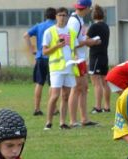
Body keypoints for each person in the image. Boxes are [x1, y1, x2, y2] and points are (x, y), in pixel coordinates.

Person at [42, 7, 78, 130]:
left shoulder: (71, 32)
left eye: (64, 15)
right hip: (56, 68)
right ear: (56, 16)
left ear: (67, 16)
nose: (62, 17)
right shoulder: (50, 31)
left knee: (65, 96)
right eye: (60, 15)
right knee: (55, 95)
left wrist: (76, 58)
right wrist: (57, 46)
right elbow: (45, 52)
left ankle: (62, 122)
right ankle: (48, 122)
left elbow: (75, 49)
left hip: (69, 67)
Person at [67, 0, 99, 128]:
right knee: (76, 88)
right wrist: (88, 42)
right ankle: (73, 121)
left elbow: (79, 40)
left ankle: (85, 119)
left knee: (84, 88)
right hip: (75, 59)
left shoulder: (79, 20)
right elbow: (71, 42)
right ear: (88, 8)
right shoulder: (74, 21)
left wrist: (88, 41)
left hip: (81, 59)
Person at [24, 7, 56, 116]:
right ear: (55, 16)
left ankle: (37, 108)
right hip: (52, 58)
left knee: (39, 83)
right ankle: (53, 108)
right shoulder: (56, 27)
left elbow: (26, 35)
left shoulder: (39, 26)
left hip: (40, 57)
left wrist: (32, 48)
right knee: (52, 84)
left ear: (45, 16)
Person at [87, 4, 110, 114]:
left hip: (95, 56)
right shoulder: (106, 26)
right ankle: (107, 106)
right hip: (104, 56)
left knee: (96, 83)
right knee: (105, 82)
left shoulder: (94, 27)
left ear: (93, 15)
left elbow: (87, 41)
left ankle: (97, 107)